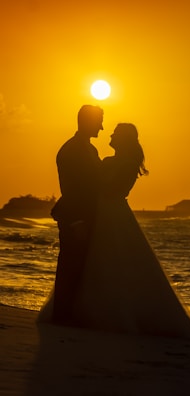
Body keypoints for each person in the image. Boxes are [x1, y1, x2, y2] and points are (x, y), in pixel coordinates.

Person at [72, 123, 190, 338]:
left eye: (115, 133)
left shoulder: (128, 162)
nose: (110, 134)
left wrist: (97, 172)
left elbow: (112, 189)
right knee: (101, 261)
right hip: (105, 212)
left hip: (113, 213)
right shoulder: (115, 161)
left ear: (123, 138)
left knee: (116, 261)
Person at [49, 104, 104, 324]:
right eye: (99, 120)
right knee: (70, 265)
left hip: (86, 217)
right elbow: (71, 189)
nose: (102, 126)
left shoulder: (90, 149)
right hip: (75, 218)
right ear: (87, 121)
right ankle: (62, 316)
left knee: (80, 266)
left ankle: (71, 313)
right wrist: (77, 221)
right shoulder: (71, 150)